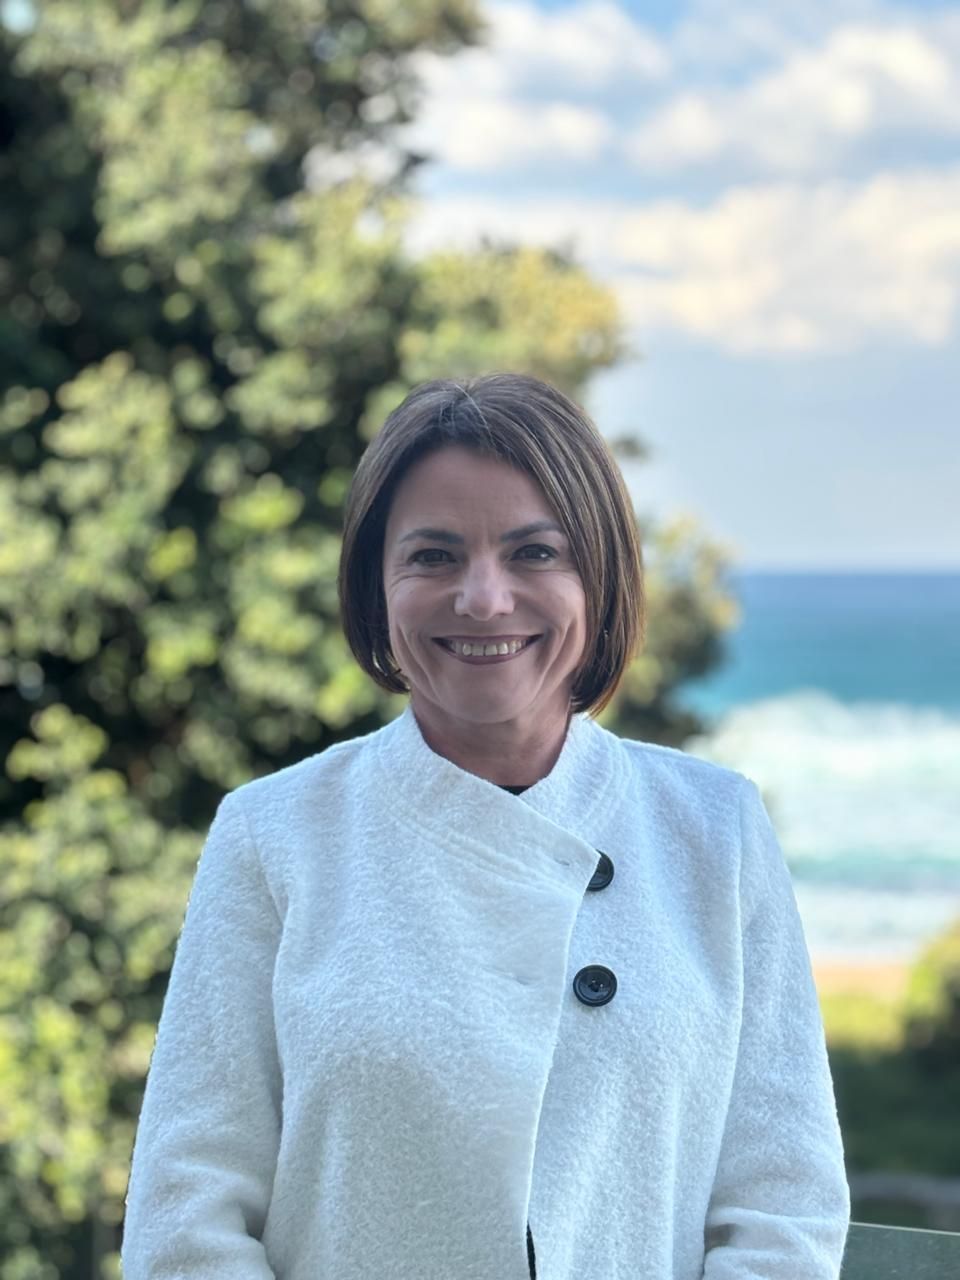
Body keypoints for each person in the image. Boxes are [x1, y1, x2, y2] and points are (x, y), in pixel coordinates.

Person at [120, 372, 851, 1279]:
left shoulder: (716, 830)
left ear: (601, 577)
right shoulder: (274, 836)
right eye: (433, 556)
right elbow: (186, 1217)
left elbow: (783, 1206)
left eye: (534, 552)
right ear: (376, 585)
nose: (483, 599)